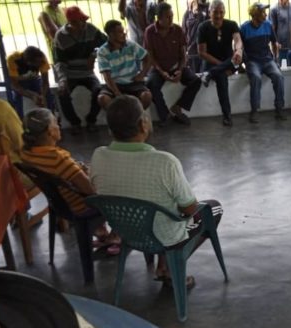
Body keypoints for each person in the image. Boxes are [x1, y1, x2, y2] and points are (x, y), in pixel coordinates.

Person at [90, 95, 224, 287]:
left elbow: (96, 190)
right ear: (144, 125)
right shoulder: (165, 162)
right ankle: (172, 267)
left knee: (159, 207)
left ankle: (163, 265)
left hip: (126, 232)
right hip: (163, 236)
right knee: (213, 208)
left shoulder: (98, 156)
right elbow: (189, 209)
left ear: (110, 130)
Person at [19, 108, 120, 254]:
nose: (59, 126)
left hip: (59, 203)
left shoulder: (26, 153)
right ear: (50, 131)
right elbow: (90, 191)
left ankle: (100, 230)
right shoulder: (57, 159)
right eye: (55, 123)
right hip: (80, 205)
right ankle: (116, 235)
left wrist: (81, 169)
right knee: (123, 185)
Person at [145, 2, 201, 126]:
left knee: (196, 81)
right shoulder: (149, 32)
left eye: (172, 16)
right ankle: (165, 115)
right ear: (159, 18)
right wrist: (162, 72)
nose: (171, 19)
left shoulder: (177, 30)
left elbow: (183, 54)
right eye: (167, 17)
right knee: (150, 84)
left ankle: (178, 108)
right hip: (158, 68)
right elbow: (150, 57)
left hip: (177, 66)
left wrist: (180, 70)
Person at [53, 6, 107, 134]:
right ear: (70, 23)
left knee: (99, 90)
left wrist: (94, 54)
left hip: (87, 73)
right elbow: (59, 61)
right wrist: (62, 79)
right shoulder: (60, 36)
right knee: (63, 93)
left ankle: (91, 120)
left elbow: (105, 44)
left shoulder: (91, 29)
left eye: (83, 20)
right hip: (69, 74)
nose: (82, 24)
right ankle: (74, 123)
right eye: (78, 22)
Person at [197, 0, 243, 126]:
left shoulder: (231, 24)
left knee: (240, 58)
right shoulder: (203, 27)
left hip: (229, 61)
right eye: (215, 12)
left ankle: (209, 75)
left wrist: (238, 50)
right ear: (209, 12)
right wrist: (221, 66)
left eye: (221, 12)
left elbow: (238, 40)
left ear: (225, 13)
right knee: (222, 77)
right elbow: (202, 53)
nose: (218, 15)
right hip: (211, 62)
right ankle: (227, 116)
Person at [240, 2, 285, 123]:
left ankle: (279, 108)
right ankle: (254, 110)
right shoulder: (244, 28)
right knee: (256, 77)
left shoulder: (268, 25)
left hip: (267, 60)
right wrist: (244, 63)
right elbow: (239, 48)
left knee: (279, 76)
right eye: (263, 12)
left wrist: (275, 60)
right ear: (255, 14)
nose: (265, 15)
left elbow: (274, 43)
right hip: (253, 61)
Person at [96, 20, 152, 110]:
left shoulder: (130, 45)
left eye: (123, 31)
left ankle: (135, 118)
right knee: (102, 99)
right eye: (120, 32)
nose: (124, 34)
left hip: (133, 82)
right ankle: (118, 121)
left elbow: (147, 58)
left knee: (147, 96)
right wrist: (117, 93)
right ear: (111, 35)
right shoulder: (102, 52)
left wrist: (142, 74)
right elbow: (107, 77)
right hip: (114, 84)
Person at [7, 46, 56, 118]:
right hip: (19, 82)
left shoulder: (41, 58)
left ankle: (51, 117)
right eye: (36, 64)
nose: (39, 66)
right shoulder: (12, 59)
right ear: (28, 63)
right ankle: (20, 121)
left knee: (48, 94)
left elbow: (45, 81)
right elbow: (14, 84)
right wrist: (31, 95)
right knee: (17, 97)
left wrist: (43, 95)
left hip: (34, 79)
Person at [268, 0, 291, 66]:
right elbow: (272, 28)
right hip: (280, 47)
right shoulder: (274, 9)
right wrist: (275, 43)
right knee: (279, 70)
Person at [182, 0, 209, 73]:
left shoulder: (208, 10)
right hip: (192, 52)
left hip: (206, 52)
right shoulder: (187, 13)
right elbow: (183, 34)